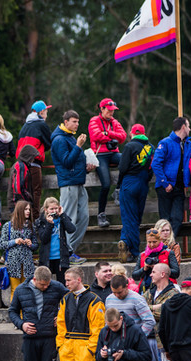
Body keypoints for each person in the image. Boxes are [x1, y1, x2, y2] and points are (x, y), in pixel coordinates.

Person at [106, 275, 158, 361]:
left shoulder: (137, 299)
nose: (117, 295)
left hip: (132, 345)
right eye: (114, 292)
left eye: (120, 292)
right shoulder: (109, 299)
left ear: (127, 287)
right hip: (115, 344)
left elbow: (149, 321)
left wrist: (137, 339)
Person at [49, 110, 89, 265]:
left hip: (79, 181)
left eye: (78, 122)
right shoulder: (59, 139)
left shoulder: (69, 137)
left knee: (84, 217)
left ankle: (70, 250)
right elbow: (66, 162)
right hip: (68, 183)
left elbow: (76, 160)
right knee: (68, 218)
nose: (77, 124)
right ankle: (65, 252)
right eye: (74, 121)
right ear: (65, 122)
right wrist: (78, 146)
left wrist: (87, 166)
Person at [151, 117, 191, 236]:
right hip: (165, 187)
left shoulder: (189, 145)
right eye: (188, 126)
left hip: (180, 187)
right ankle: (164, 249)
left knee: (177, 218)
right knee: (165, 220)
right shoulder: (165, 143)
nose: (190, 129)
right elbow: (156, 164)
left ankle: (169, 245)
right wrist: (165, 183)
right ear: (183, 127)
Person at [117, 123, 154, 262]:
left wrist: (119, 185)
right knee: (136, 217)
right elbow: (151, 166)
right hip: (143, 183)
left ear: (132, 134)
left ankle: (134, 251)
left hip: (129, 182)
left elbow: (123, 168)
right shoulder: (150, 147)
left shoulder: (129, 146)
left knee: (128, 218)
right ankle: (124, 241)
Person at [88, 98, 127, 228]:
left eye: (113, 111)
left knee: (127, 160)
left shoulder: (114, 122)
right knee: (105, 185)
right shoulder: (94, 120)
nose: (111, 113)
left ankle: (118, 189)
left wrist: (108, 133)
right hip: (100, 154)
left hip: (113, 153)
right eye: (109, 111)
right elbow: (96, 135)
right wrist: (112, 138)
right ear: (102, 109)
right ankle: (101, 214)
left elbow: (123, 136)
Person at [142, 263, 179, 361]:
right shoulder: (149, 292)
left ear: (163, 274)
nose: (150, 274)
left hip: (164, 343)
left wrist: (148, 310)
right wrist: (156, 308)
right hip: (147, 339)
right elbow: (139, 310)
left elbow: (165, 313)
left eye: (153, 272)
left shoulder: (174, 293)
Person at [17, 100, 53, 216]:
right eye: (46, 111)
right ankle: (36, 218)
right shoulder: (41, 124)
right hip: (34, 163)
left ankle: (23, 218)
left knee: (24, 191)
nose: (46, 114)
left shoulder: (25, 125)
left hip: (21, 164)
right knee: (36, 191)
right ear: (41, 112)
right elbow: (49, 142)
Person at [0, 200, 38, 300]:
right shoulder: (7, 226)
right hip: (13, 262)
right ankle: (14, 314)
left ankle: (24, 314)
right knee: (15, 290)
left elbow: (35, 246)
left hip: (27, 263)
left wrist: (30, 244)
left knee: (26, 290)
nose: (28, 211)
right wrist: (14, 241)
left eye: (29, 209)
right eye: (25, 209)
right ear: (20, 210)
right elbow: (2, 245)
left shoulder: (31, 226)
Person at [35, 197, 76, 284]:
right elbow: (44, 239)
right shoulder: (41, 221)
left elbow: (71, 229)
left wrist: (62, 214)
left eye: (56, 208)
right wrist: (49, 224)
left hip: (61, 258)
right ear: (46, 210)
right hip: (47, 258)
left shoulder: (62, 218)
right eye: (51, 209)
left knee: (63, 284)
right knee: (45, 283)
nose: (54, 210)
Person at [132, 228, 180, 293]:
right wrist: (144, 269)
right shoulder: (142, 255)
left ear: (160, 240)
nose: (152, 245)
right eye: (149, 242)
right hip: (146, 288)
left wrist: (161, 268)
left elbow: (176, 273)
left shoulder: (168, 253)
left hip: (166, 288)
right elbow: (135, 276)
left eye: (154, 242)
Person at [8, 144, 39, 212]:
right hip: (18, 204)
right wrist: (28, 200)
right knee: (20, 222)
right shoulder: (20, 166)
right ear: (28, 156)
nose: (33, 160)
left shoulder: (21, 165)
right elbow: (18, 187)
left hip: (18, 203)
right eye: (32, 157)